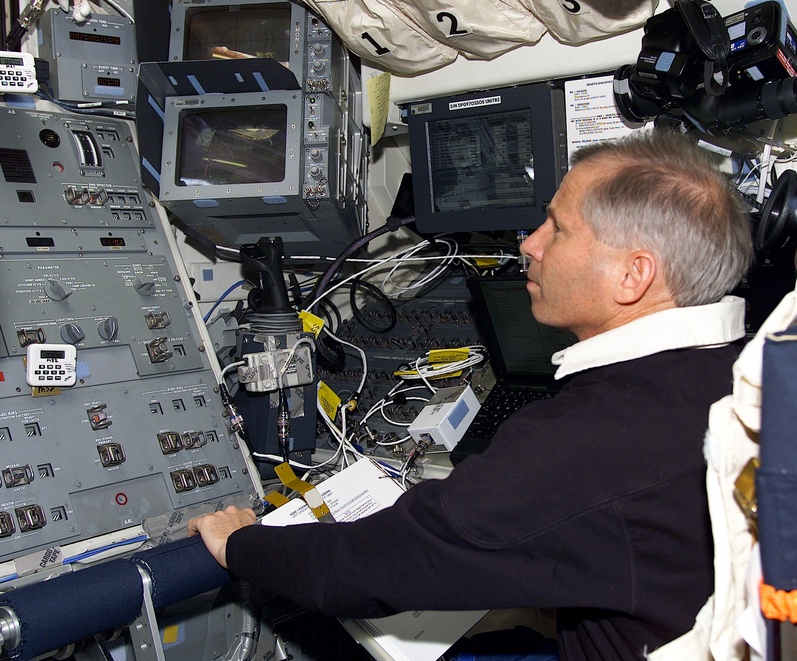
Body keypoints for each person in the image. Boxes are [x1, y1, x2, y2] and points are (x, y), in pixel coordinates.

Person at [189, 129, 753, 660]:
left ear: (634, 275)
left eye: (557, 229)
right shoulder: (750, 371)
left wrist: (242, 544)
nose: (529, 244)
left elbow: (368, 568)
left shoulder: (596, 436)